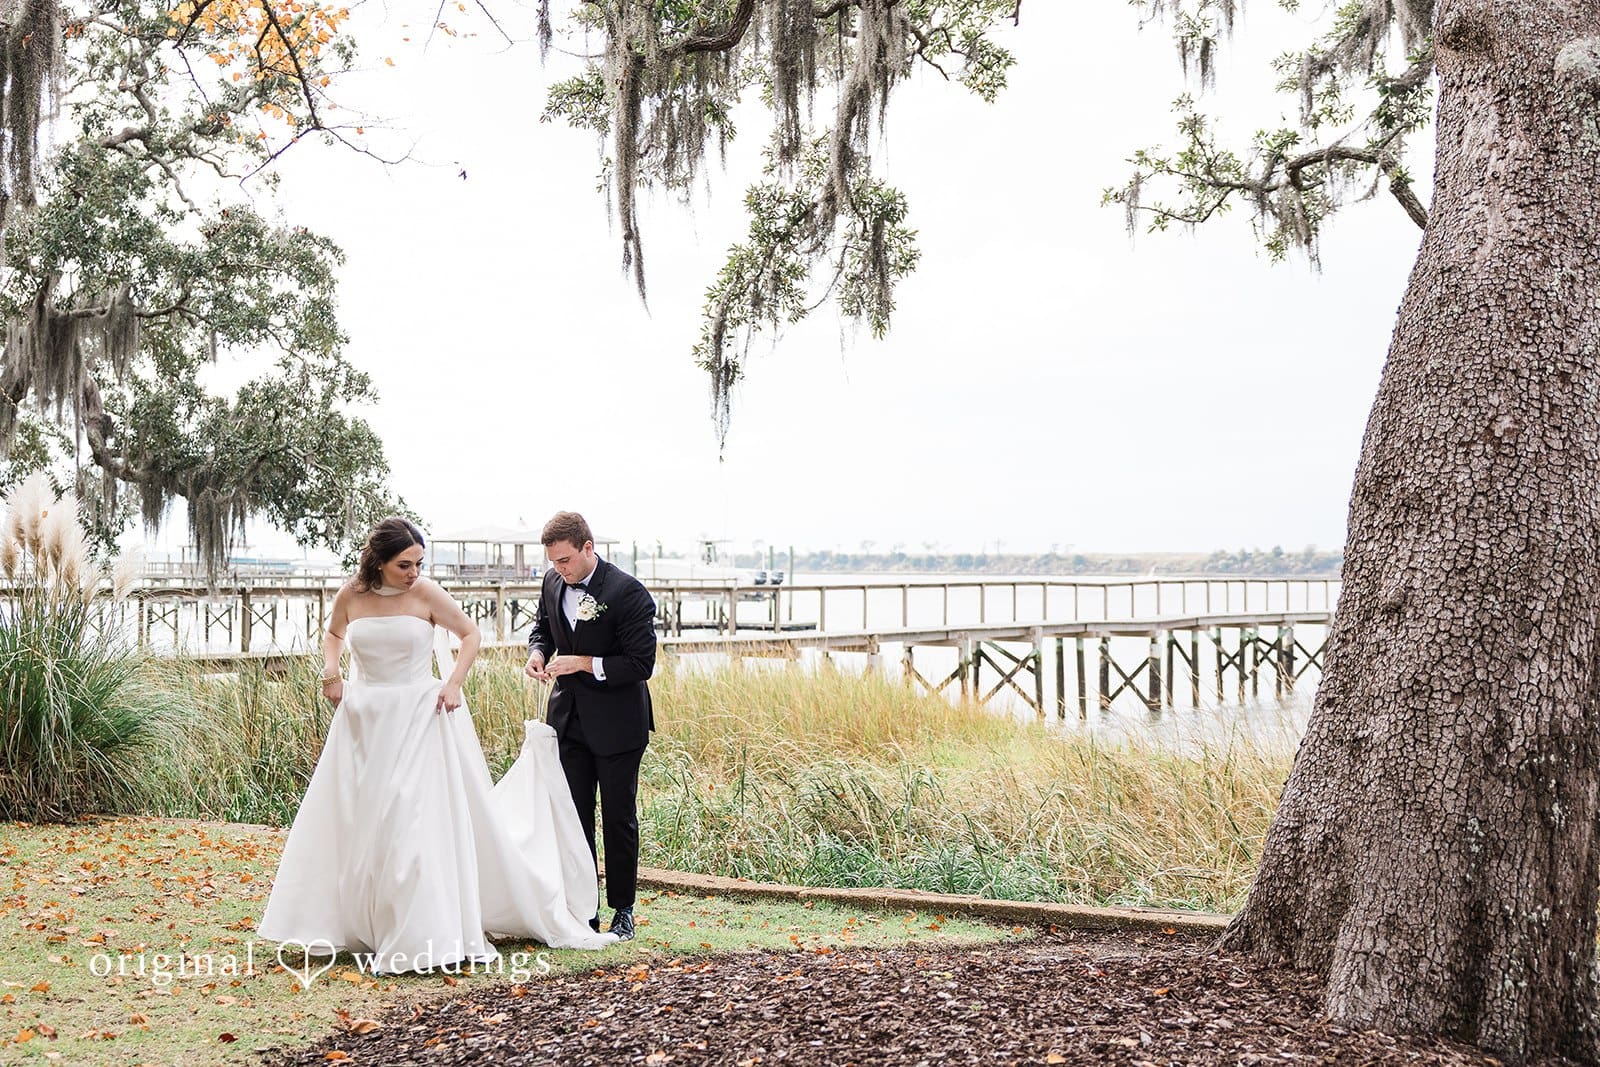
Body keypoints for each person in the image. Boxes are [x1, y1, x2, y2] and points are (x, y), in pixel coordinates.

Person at [259, 517, 615, 975]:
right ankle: (361, 922)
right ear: (379, 562)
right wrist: (332, 672)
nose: (413, 572)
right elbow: (334, 635)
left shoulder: (426, 594)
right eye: (404, 564)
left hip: (417, 717)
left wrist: (453, 684)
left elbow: (470, 635)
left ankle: (416, 930)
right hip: (363, 718)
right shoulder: (352, 594)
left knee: (408, 819)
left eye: (419, 563)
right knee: (357, 818)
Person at [524, 511, 656, 941]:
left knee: (618, 818)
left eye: (565, 560)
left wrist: (582, 662)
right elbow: (542, 626)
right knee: (572, 817)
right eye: (553, 562)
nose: (559, 569)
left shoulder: (628, 593)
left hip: (619, 725)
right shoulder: (551, 582)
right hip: (567, 721)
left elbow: (641, 664)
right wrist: (538, 653)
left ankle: (623, 910)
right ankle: (582, 908)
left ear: (587, 548)